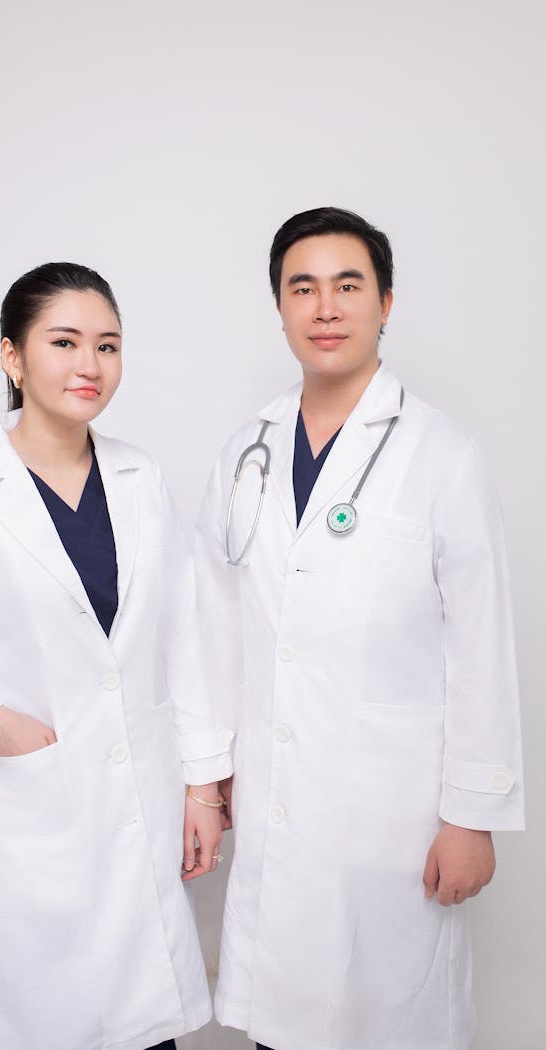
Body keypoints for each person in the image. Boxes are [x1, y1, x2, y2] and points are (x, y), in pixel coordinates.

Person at [0, 262, 231, 1050]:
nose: (89, 365)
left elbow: (185, 635)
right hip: (42, 815)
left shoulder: (141, 477)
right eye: (64, 342)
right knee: (47, 1020)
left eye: (108, 344)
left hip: (147, 801)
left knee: (146, 1024)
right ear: (13, 357)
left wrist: (203, 785)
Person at [193, 208, 524, 1050]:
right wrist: (206, 770)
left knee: (386, 1015)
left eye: (348, 285)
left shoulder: (441, 452)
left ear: (386, 303)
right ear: (280, 308)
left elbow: (480, 642)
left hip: (396, 808)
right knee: (282, 1020)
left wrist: (472, 815)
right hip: (271, 793)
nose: (326, 307)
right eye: (303, 287)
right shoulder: (245, 452)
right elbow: (212, 621)